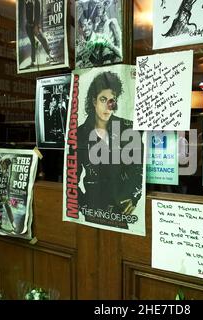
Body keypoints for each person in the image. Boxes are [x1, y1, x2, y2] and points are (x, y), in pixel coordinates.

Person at [74, 71, 143, 229]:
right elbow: (71, 176)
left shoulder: (127, 128)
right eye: (103, 100)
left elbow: (138, 168)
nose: (107, 107)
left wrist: (134, 196)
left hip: (120, 210)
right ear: (94, 101)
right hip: (92, 210)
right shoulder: (80, 133)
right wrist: (84, 204)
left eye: (112, 101)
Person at [75, 0, 122, 68]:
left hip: (112, 60)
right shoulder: (96, 27)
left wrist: (111, 46)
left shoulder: (112, 22)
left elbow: (120, 48)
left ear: (104, 7)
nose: (98, 9)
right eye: (97, 7)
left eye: (100, 7)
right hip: (99, 63)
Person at [24, 0, 54, 68]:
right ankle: (33, 62)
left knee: (43, 39)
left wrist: (36, 26)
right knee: (33, 43)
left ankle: (50, 55)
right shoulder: (28, 2)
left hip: (35, 26)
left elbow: (38, 14)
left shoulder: (37, 2)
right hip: (28, 27)